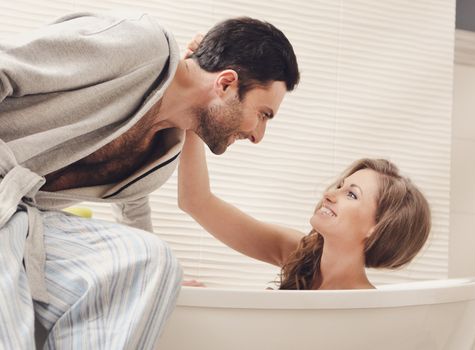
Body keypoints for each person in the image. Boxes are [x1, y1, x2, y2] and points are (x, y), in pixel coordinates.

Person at [0, 11, 299, 349]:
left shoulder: (162, 152)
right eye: (263, 115)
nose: (259, 135)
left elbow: (133, 211)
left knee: (152, 260)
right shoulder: (139, 45)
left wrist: (162, 283)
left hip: (21, 220)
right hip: (7, 210)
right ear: (226, 83)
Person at [178, 131, 431, 290]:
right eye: (340, 186)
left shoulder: (370, 309)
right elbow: (195, 201)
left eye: (351, 194)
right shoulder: (300, 256)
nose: (330, 194)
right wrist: (194, 120)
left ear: (378, 227)